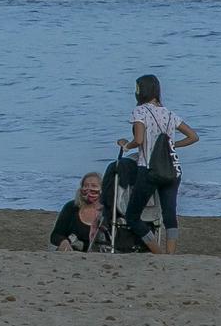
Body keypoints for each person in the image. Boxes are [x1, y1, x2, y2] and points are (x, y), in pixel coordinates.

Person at [121, 74, 197, 255]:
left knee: (132, 216)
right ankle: (170, 254)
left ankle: (157, 252)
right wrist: (172, 145)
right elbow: (193, 137)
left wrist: (126, 145)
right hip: (172, 169)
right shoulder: (170, 114)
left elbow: (138, 140)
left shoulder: (139, 111)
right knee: (170, 214)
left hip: (148, 169)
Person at [49, 172, 110, 252]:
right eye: (86, 186)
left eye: (94, 186)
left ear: (102, 189)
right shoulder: (71, 207)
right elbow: (55, 235)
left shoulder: (108, 211)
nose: (89, 189)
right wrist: (63, 242)